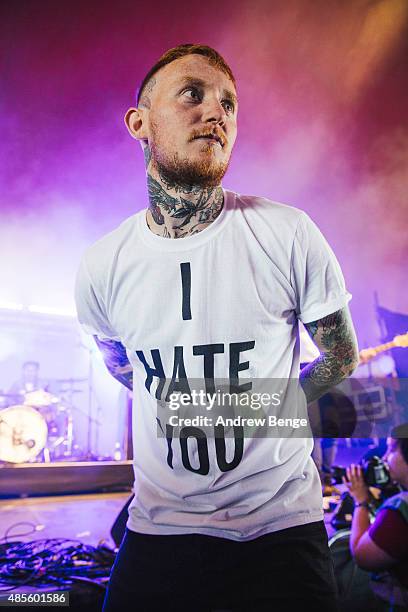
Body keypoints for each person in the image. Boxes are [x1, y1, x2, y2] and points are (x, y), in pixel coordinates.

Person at [75, 44, 360, 611]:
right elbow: (116, 360)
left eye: (229, 102)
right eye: (193, 94)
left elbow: (341, 355)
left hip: (280, 528)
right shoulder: (103, 264)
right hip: (160, 530)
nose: (218, 113)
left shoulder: (287, 233)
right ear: (140, 122)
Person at [343, 425, 408, 610]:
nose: (386, 457)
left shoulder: (400, 510)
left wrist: (361, 501)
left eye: (393, 449)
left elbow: (362, 556)